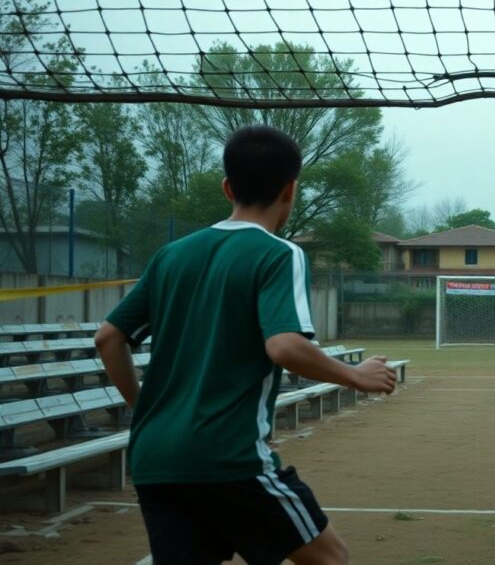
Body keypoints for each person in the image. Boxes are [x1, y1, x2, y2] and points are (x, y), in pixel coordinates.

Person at [95, 125, 396, 565]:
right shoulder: (278, 253)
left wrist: (145, 411)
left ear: (227, 187)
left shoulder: (171, 254)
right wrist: (356, 375)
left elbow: (107, 338)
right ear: (290, 190)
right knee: (329, 558)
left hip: (155, 456)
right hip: (227, 455)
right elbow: (285, 347)